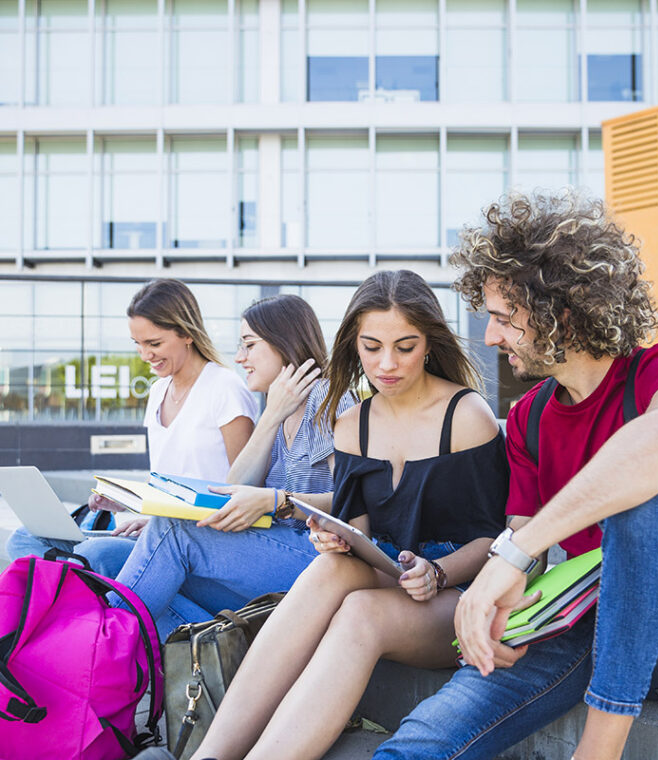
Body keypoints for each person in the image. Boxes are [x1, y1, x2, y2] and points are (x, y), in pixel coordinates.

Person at [372, 192, 658, 760]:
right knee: (420, 743)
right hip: (585, 620)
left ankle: (598, 751)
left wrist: (514, 553)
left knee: (645, 490)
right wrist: (508, 611)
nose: (490, 338)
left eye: (503, 319)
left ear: (563, 316)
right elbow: (521, 546)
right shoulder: (529, 417)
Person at [140, 268, 512, 760]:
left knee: (360, 613)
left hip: (461, 595)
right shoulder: (353, 423)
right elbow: (360, 533)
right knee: (333, 564)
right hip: (392, 572)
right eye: (371, 346)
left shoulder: (466, 415)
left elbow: (497, 540)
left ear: (428, 342)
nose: (387, 364)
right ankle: (213, 755)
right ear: (353, 344)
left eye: (405, 346)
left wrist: (439, 573)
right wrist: (336, 538)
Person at [109, 294, 356, 640]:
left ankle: (96, 648)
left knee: (176, 530)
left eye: (249, 345)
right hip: (281, 550)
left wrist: (278, 499)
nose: (240, 358)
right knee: (153, 577)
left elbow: (352, 501)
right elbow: (236, 483)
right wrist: (271, 416)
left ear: (284, 344)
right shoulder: (278, 405)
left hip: (319, 557)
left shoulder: (328, 397)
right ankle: (203, 662)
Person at [5, 278, 256, 578]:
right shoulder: (158, 392)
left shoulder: (224, 388)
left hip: (198, 539)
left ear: (187, 334)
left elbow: (244, 490)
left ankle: (81, 600)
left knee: (92, 554)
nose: (145, 355)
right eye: (137, 344)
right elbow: (170, 481)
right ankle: (81, 594)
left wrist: (161, 524)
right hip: (155, 529)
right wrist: (126, 501)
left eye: (154, 343)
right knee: (23, 540)